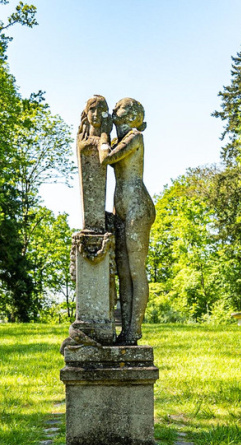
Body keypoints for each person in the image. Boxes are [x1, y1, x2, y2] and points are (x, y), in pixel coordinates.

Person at [99, 98, 155, 345]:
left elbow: (106, 158)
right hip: (121, 207)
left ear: (134, 115)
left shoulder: (134, 137)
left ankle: (135, 330)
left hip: (137, 207)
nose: (113, 112)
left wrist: (102, 136)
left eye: (119, 108)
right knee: (123, 272)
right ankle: (125, 331)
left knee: (135, 270)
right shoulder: (118, 139)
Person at [76, 95, 112, 233]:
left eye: (101, 110)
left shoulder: (106, 140)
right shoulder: (83, 138)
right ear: (86, 113)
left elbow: (105, 154)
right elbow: (87, 147)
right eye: (92, 110)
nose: (96, 114)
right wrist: (103, 138)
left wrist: (104, 136)